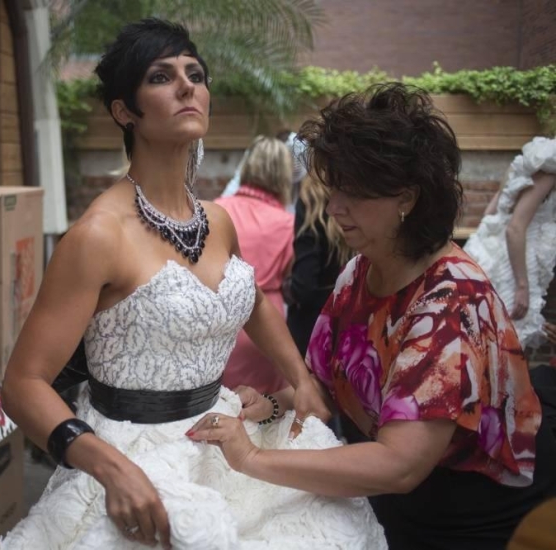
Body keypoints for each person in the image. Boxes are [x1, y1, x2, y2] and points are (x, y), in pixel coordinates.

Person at [0, 19, 386, 550]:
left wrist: (300, 380)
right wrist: (110, 468)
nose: (187, 86)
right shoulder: (96, 236)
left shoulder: (218, 220)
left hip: (223, 434)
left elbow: (249, 300)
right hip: (131, 454)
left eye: (195, 74)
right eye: (161, 77)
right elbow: (21, 384)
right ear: (123, 111)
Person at [189, 83, 556, 550]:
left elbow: (398, 465)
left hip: (471, 515)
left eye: (355, 193)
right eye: (334, 188)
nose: (335, 207)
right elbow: (319, 387)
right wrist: (272, 403)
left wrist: (251, 458)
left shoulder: (449, 303)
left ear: (407, 198)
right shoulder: (360, 273)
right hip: (398, 499)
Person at [214, 136, 295, 394]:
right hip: (267, 327)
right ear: (284, 175)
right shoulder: (287, 223)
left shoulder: (217, 210)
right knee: (264, 413)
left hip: (220, 318)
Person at [463, 137, 556, 350]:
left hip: (490, 251)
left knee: (481, 341)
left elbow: (490, 212)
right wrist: (522, 286)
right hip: (514, 264)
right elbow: (515, 228)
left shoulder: (529, 158)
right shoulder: (550, 169)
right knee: (506, 344)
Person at [284, 173, 353, 357]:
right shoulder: (354, 201)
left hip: (312, 331)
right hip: (350, 324)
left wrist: (287, 288)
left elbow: (304, 285)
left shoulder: (310, 202)